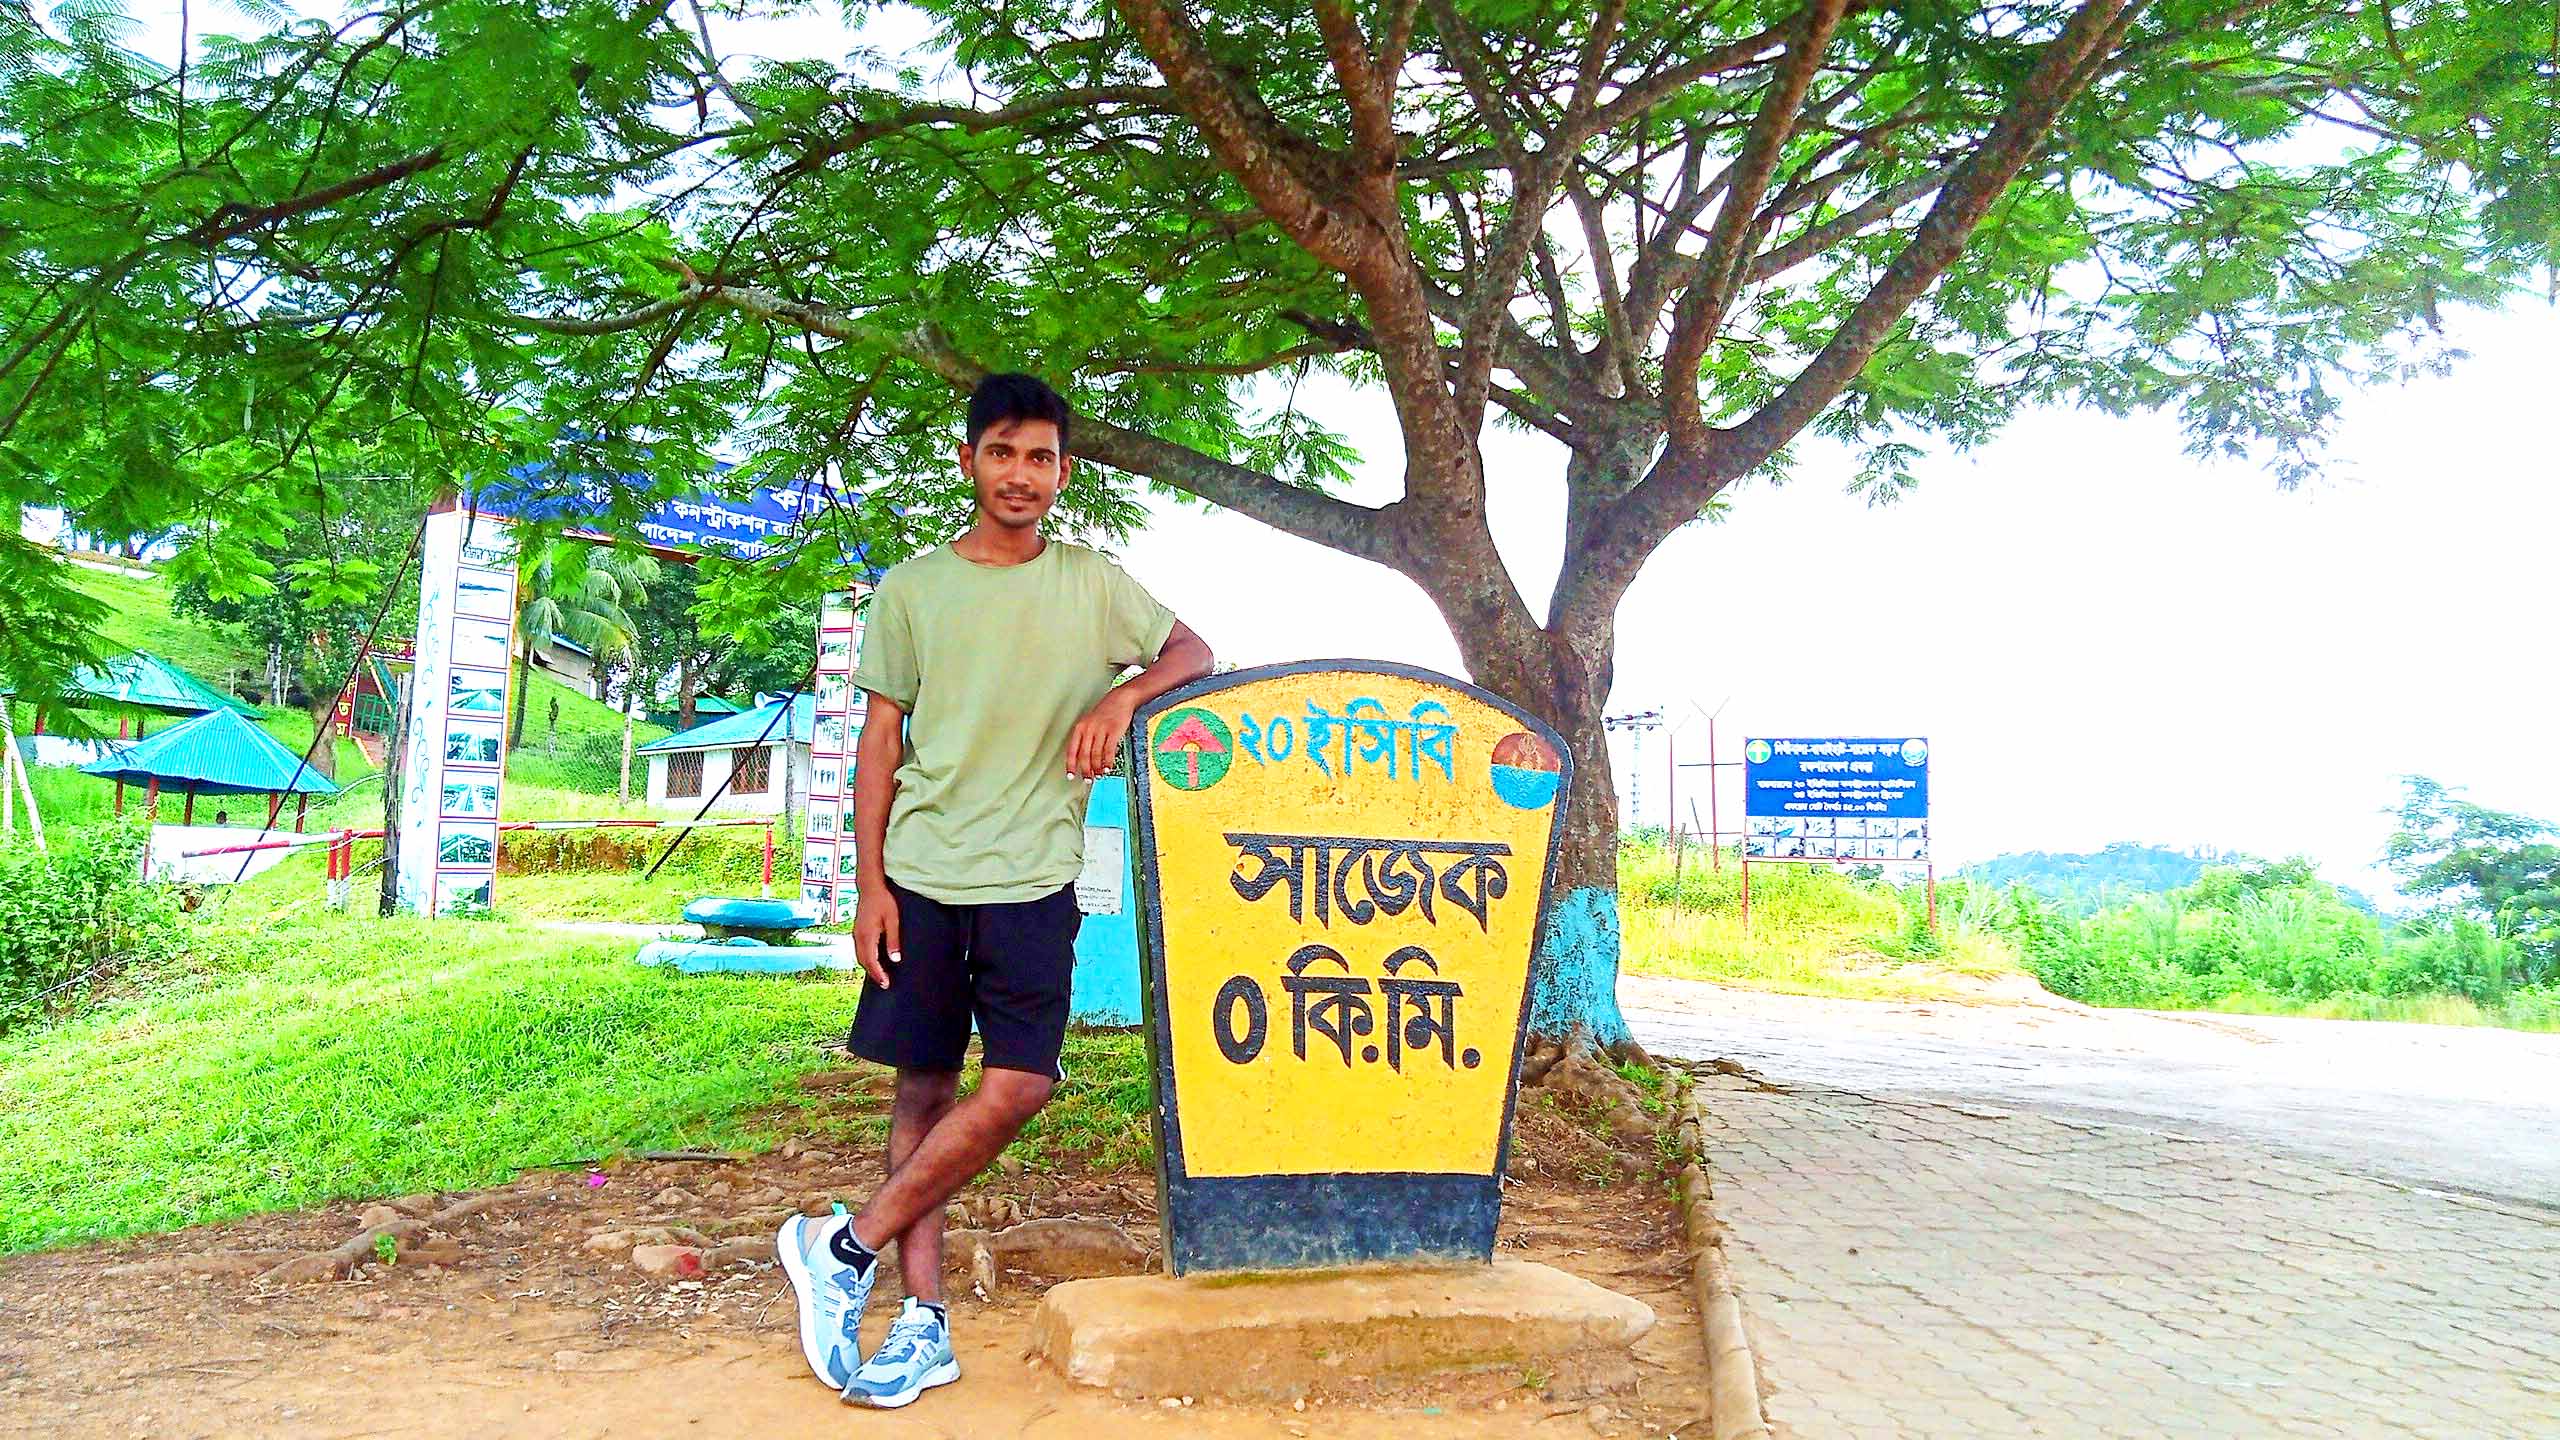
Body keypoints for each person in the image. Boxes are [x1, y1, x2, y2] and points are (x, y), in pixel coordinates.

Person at [776, 372, 1213, 1409]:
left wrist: (1127, 688)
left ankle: (841, 1246)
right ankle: (921, 1322)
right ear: (968, 460)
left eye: (1042, 457)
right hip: (921, 873)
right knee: (921, 1090)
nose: (1022, 475)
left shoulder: (1093, 584)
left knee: (1020, 1083)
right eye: (1003, 452)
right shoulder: (913, 590)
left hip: (1033, 876)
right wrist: (867, 885)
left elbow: (1193, 650)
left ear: (1063, 472)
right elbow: (880, 743)